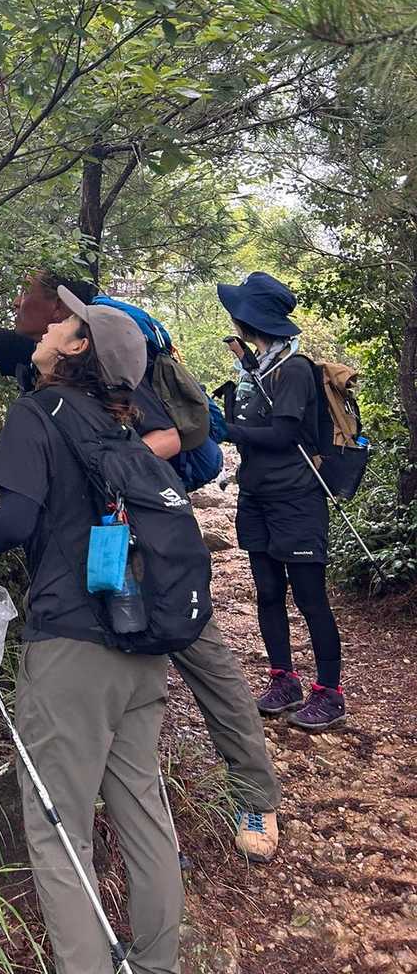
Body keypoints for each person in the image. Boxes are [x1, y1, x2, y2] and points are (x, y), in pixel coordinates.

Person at [0, 269, 282, 861]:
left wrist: (102, 468)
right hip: (84, 548)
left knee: (203, 654)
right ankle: (113, 797)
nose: (16, 302)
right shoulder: (31, 356)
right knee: (106, 659)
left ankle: (255, 795)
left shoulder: (110, 365)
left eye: (27, 295)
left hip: (144, 538)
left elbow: (169, 435)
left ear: (61, 317)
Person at [0, 292, 183, 974]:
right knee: (143, 812)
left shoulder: (39, 411)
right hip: (141, 643)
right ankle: (158, 964)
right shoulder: (120, 425)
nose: (47, 325)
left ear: (76, 349)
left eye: (63, 323)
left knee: (57, 831)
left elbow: (16, 519)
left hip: (72, 648)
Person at [217, 272, 345, 732]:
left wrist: (224, 429)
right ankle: (283, 680)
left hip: (296, 498)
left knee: (310, 598)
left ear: (249, 319)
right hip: (257, 495)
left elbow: (283, 435)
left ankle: (329, 693)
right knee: (269, 592)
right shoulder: (257, 368)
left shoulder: (293, 369)